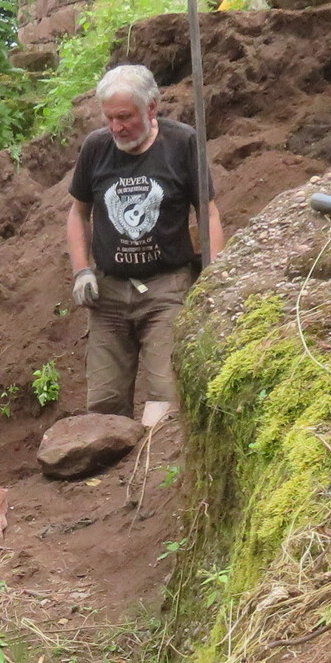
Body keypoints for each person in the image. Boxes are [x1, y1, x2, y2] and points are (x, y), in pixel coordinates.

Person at [65, 62, 224, 427]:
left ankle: (152, 460)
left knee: (166, 402)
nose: (116, 127)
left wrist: (215, 275)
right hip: (108, 293)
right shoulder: (96, 148)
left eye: (125, 117)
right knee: (103, 407)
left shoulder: (181, 143)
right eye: (109, 118)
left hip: (167, 287)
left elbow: (208, 212)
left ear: (151, 108)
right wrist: (82, 271)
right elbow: (78, 213)